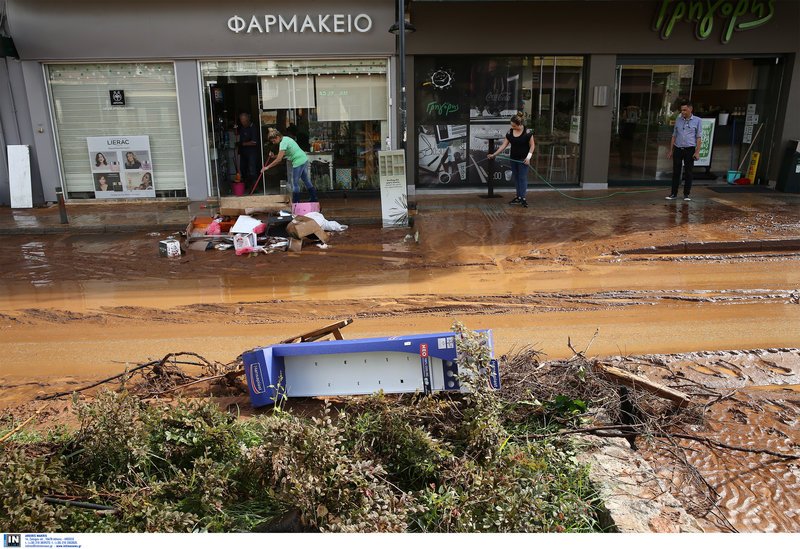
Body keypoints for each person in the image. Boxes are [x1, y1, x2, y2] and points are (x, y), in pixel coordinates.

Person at [487, 113, 536, 208]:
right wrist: (494, 154)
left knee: (522, 177)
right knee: (517, 178)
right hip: (513, 158)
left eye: (514, 125)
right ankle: (518, 196)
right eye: (511, 125)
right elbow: (504, 145)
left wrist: (528, 158)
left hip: (523, 160)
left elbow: (532, 145)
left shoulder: (527, 132)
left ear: (519, 124)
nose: (512, 127)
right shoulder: (510, 132)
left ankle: (523, 197)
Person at [261, 128, 318, 203]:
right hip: (303, 159)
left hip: (298, 162)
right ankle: (314, 198)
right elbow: (283, 155)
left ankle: (296, 202)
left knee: (295, 183)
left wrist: (267, 167)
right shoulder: (286, 138)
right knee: (306, 180)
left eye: (274, 141)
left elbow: (279, 159)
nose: (274, 143)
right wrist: (273, 156)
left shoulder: (283, 143)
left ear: (277, 137)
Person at [666, 100, 702, 201]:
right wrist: (671, 150)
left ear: (690, 109)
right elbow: (674, 135)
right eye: (681, 110)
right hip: (678, 148)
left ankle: (686, 194)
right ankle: (673, 193)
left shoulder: (698, 121)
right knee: (676, 172)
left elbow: (699, 138)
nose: (683, 112)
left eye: (685, 110)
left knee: (688, 172)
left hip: (689, 149)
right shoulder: (678, 119)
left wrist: (697, 152)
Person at [237, 112, 261, 187]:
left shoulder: (253, 127)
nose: (243, 123)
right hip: (243, 152)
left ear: (248, 119)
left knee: (252, 170)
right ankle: (245, 185)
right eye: (242, 121)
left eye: (244, 121)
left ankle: (254, 187)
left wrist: (243, 144)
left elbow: (254, 142)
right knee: (243, 169)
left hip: (252, 152)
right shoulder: (242, 128)